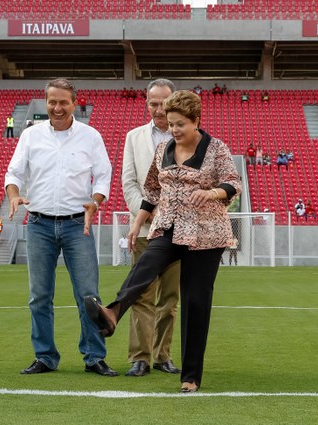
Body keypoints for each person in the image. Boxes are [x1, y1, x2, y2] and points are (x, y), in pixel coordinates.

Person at [84, 90, 241, 393]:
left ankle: (191, 376)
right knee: (146, 265)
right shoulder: (163, 149)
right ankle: (113, 313)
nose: (174, 130)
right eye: (171, 124)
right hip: (168, 226)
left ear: (196, 120)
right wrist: (136, 224)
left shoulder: (216, 148)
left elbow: (233, 183)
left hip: (205, 233)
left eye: (180, 124)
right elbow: (152, 192)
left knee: (195, 302)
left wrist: (211, 193)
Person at [5, 78, 117, 377]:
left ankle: (94, 357)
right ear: (46, 102)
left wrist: (95, 200)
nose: (56, 107)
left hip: (76, 225)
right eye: (52, 101)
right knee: (39, 296)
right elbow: (14, 172)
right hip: (39, 224)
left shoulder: (91, 137)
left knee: (88, 295)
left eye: (62, 102)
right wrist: (14, 195)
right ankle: (45, 356)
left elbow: (104, 176)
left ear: (74, 103)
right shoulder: (30, 136)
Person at [120, 78, 182, 378]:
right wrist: (146, 215)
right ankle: (140, 357)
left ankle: (162, 356)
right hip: (145, 230)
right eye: (153, 103)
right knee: (141, 295)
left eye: (163, 103)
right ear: (147, 104)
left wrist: (169, 214)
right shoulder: (133, 137)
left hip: (179, 231)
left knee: (169, 298)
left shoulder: (186, 135)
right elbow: (129, 182)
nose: (158, 109)